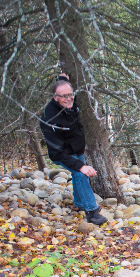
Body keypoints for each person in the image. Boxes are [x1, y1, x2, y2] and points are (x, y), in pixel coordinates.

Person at [40, 74, 107, 225]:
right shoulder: (49, 119)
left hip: (77, 148)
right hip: (62, 154)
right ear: (55, 97)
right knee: (80, 173)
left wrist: (62, 78)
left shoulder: (70, 99)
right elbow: (58, 152)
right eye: (63, 96)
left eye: (70, 94)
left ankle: (80, 203)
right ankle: (92, 212)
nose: (68, 98)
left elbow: (64, 88)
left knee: (79, 174)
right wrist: (81, 166)